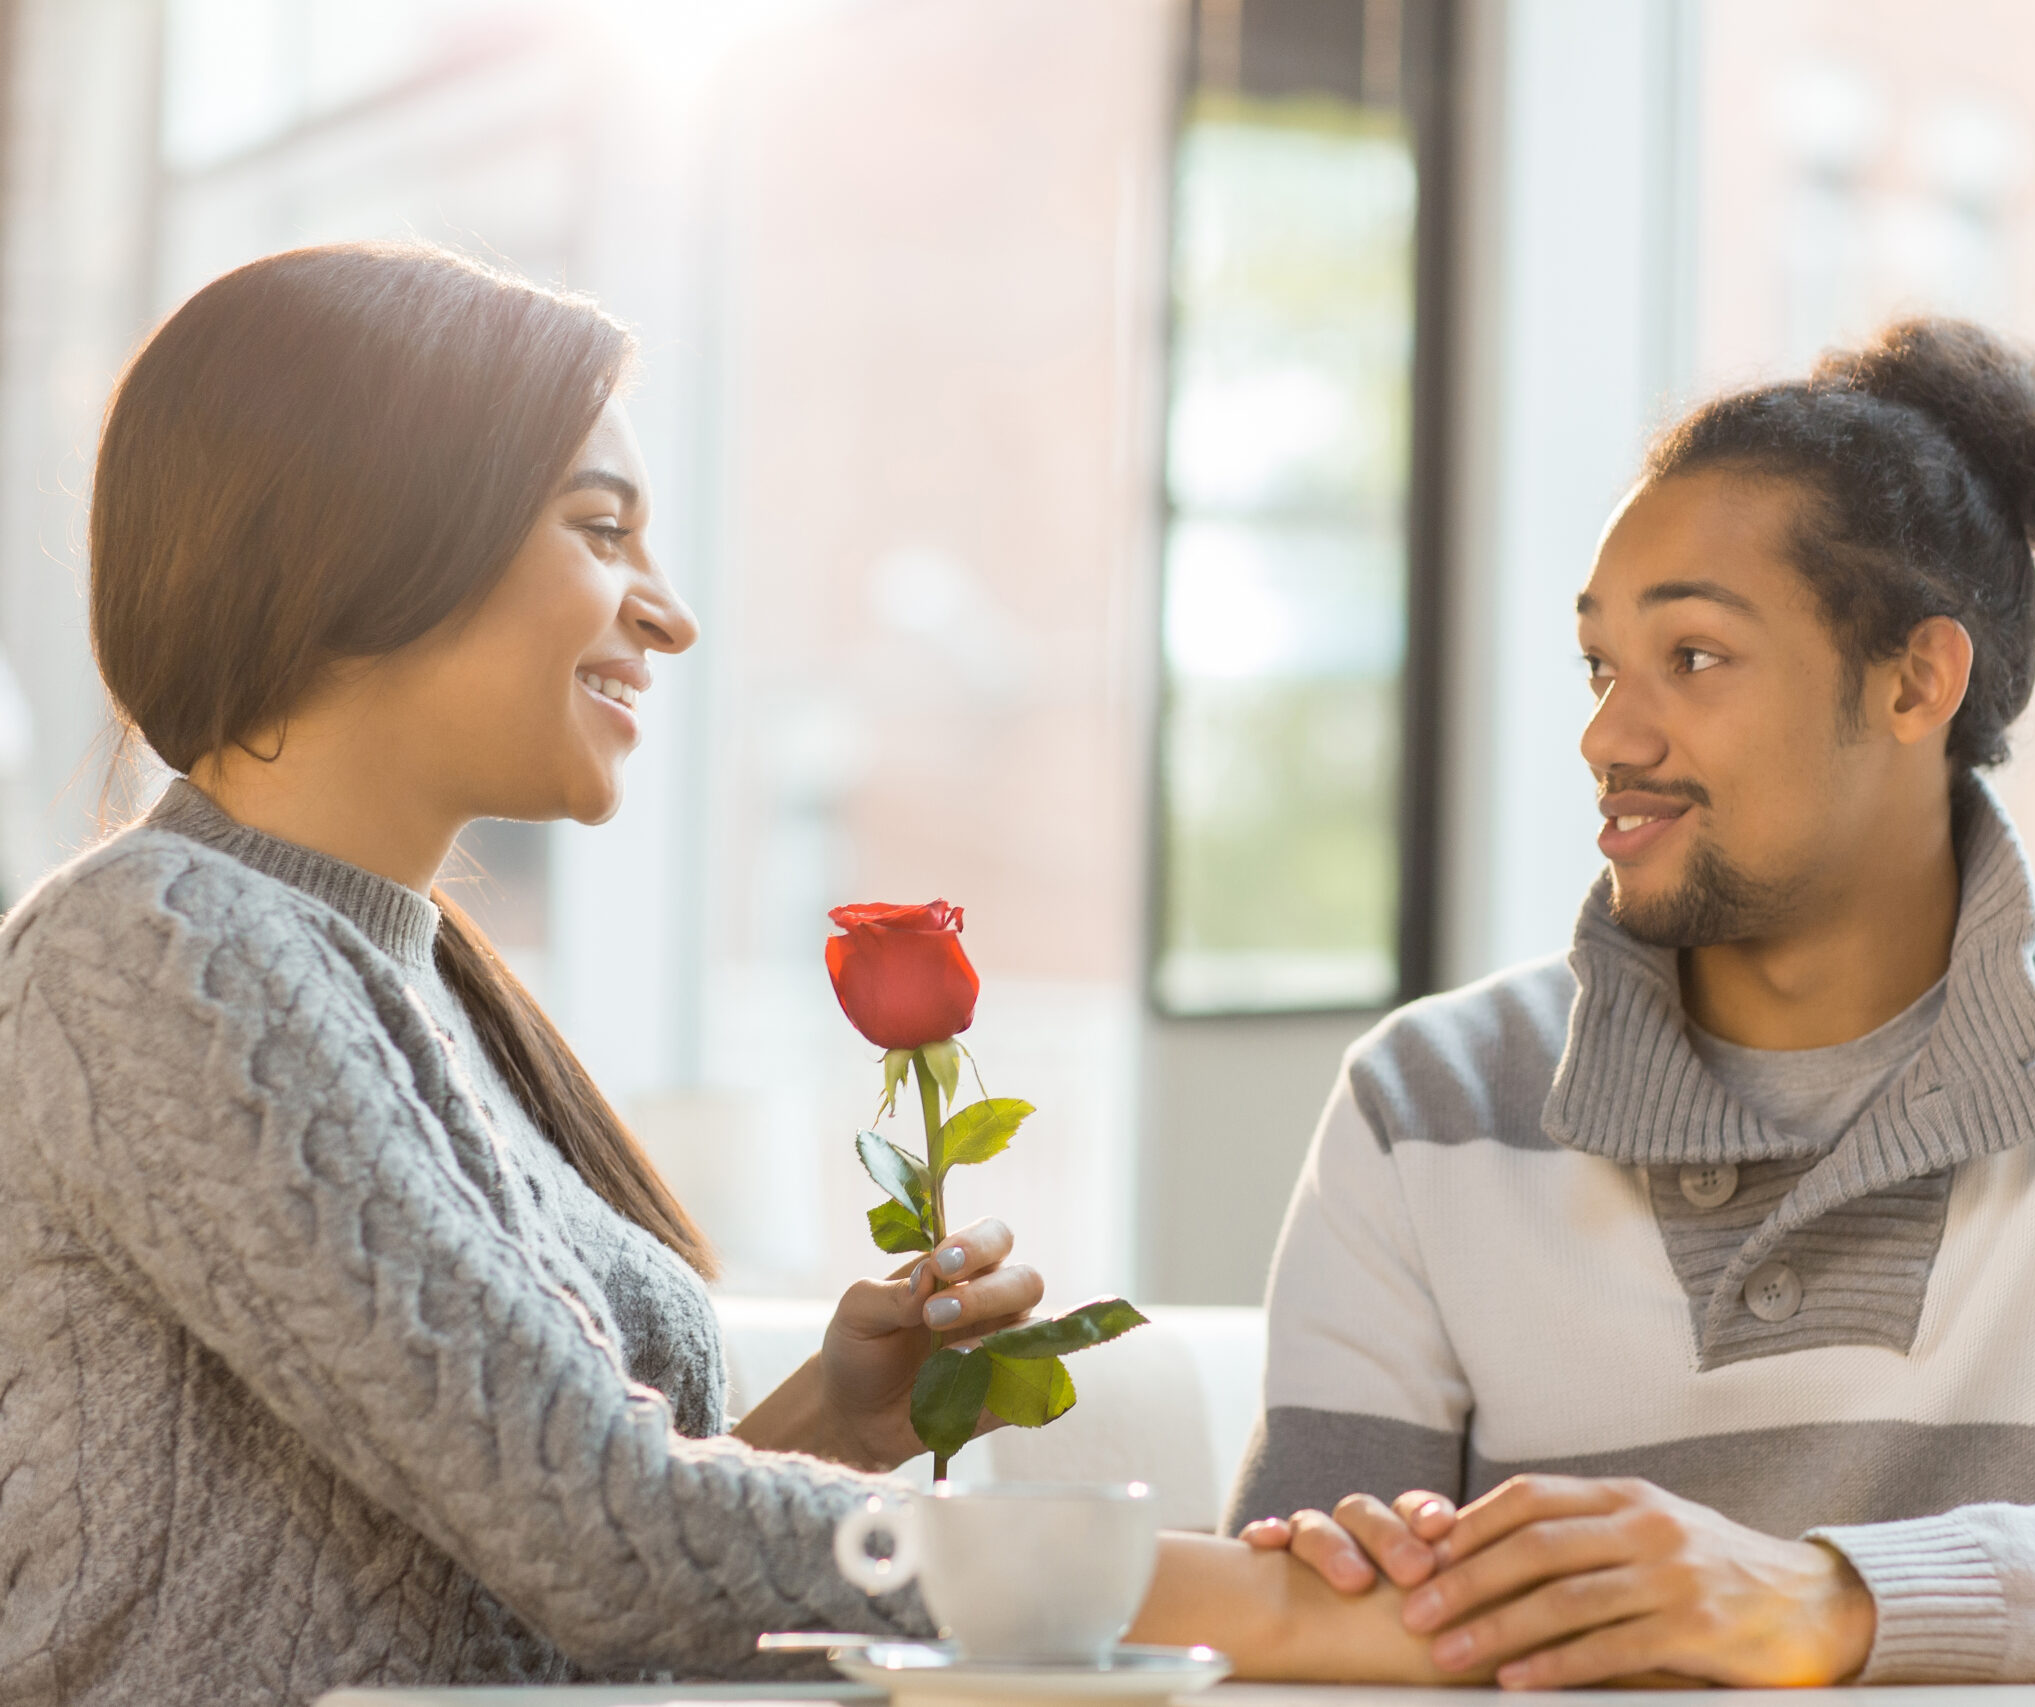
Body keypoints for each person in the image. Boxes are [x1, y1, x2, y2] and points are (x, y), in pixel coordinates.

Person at [0, 243, 1450, 1707]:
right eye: (601, 529)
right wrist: (1267, 1607)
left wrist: (832, 1415)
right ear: (363, 532)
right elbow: (596, 1535)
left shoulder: (429, 992)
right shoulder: (156, 948)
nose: (667, 611)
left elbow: (552, 1559)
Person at [1233, 318, 2035, 1688]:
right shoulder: (1425, 1101)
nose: (1607, 736)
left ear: (1917, 680)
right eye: (1601, 665)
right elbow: (1284, 1628)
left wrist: (1831, 1599)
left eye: (1693, 658)